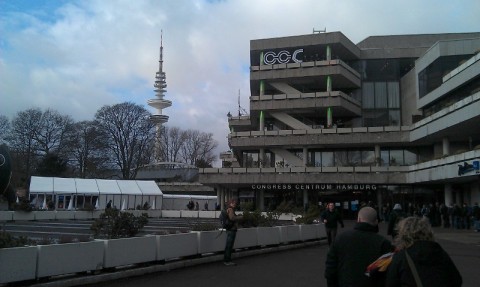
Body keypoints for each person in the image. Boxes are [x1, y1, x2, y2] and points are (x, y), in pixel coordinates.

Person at [325, 206, 393, 287]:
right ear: (376, 222)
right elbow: (389, 274)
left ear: (359, 219)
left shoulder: (340, 238)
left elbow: (330, 270)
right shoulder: (384, 243)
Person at [386, 216, 462, 287]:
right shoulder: (440, 252)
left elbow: (391, 283)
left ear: (403, 235)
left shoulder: (401, 258)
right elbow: (457, 280)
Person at [223, 198, 242, 266]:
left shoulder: (228, 209)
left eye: (235, 203)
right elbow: (232, 218)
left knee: (229, 245)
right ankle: (227, 261)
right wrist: (240, 217)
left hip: (230, 229)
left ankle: (227, 260)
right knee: (229, 246)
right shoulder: (230, 209)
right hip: (231, 229)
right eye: (233, 203)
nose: (234, 204)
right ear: (230, 203)